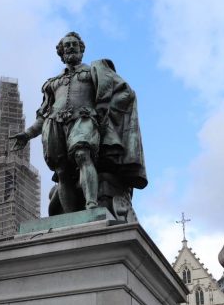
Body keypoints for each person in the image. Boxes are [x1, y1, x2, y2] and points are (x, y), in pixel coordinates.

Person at [11, 32, 146, 220]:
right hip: (54, 124)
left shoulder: (95, 71)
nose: (71, 47)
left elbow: (126, 93)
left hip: (84, 118)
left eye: (74, 44)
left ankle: (91, 205)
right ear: (61, 52)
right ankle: (69, 217)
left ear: (82, 50)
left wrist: (104, 109)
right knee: (62, 171)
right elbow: (44, 115)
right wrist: (27, 134)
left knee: (83, 154)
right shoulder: (52, 83)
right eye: (67, 45)